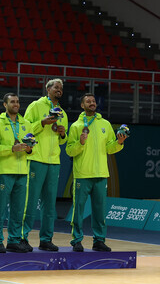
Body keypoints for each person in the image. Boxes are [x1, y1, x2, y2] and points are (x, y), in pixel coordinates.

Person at [66, 93, 126, 252]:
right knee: (78, 210)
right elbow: (69, 151)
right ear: (82, 105)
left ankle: (99, 240)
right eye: (88, 101)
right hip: (82, 174)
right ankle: (77, 240)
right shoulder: (76, 126)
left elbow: (110, 148)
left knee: (100, 211)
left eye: (93, 101)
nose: (92, 103)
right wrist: (81, 142)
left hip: (100, 174)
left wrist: (119, 142)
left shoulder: (105, 124)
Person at [22, 79, 68, 252]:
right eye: (56, 87)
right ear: (47, 89)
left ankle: (46, 239)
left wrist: (63, 134)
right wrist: (41, 123)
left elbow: (63, 141)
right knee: (31, 202)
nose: (59, 90)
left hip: (53, 162)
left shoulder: (62, 112)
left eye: (61, 88)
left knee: (49, 205)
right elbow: (24, 130)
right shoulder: (36, 106)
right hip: (36, 159)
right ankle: (22, 237)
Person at [0, 93, 33, 253]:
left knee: (18, 209)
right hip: (5, 170)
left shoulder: (26, 124)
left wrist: (29, 149)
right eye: (12, 102)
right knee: (0, 208)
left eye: (17, 102)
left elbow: (33, 147)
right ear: (4, 105)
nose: (16, 104)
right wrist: (11, 149)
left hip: (22, 171)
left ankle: (14, 240)